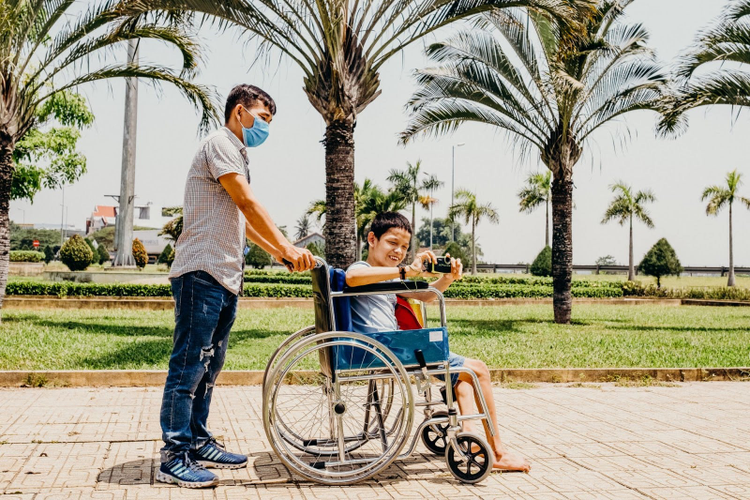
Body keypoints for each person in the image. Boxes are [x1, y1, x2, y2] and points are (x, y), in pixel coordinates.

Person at [158, 84, 316, 488]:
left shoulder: (238, 155)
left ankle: (197, 439)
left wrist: (281, 252)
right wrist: (285, 244)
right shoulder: (220, 144)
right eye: (263, 118)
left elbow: (243, 221)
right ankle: (175, 455)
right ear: (240, 112)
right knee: (188, 366)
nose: (266, 128)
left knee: (210, 366)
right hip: (201, 271)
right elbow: (248, 204)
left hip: (225, 275)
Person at [345, 212, 531, 473]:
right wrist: (404, 269)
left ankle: (471, 443)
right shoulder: (362, 269)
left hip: (395, 346)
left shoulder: (387, 278)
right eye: (392, 243)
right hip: (389, 348)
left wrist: (447, 279)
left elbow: (425, 295)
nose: (398, 251)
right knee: (478, 370)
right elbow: (351, 279)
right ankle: (497, 451)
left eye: (404, 247)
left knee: (463, 380)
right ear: (372, 239)